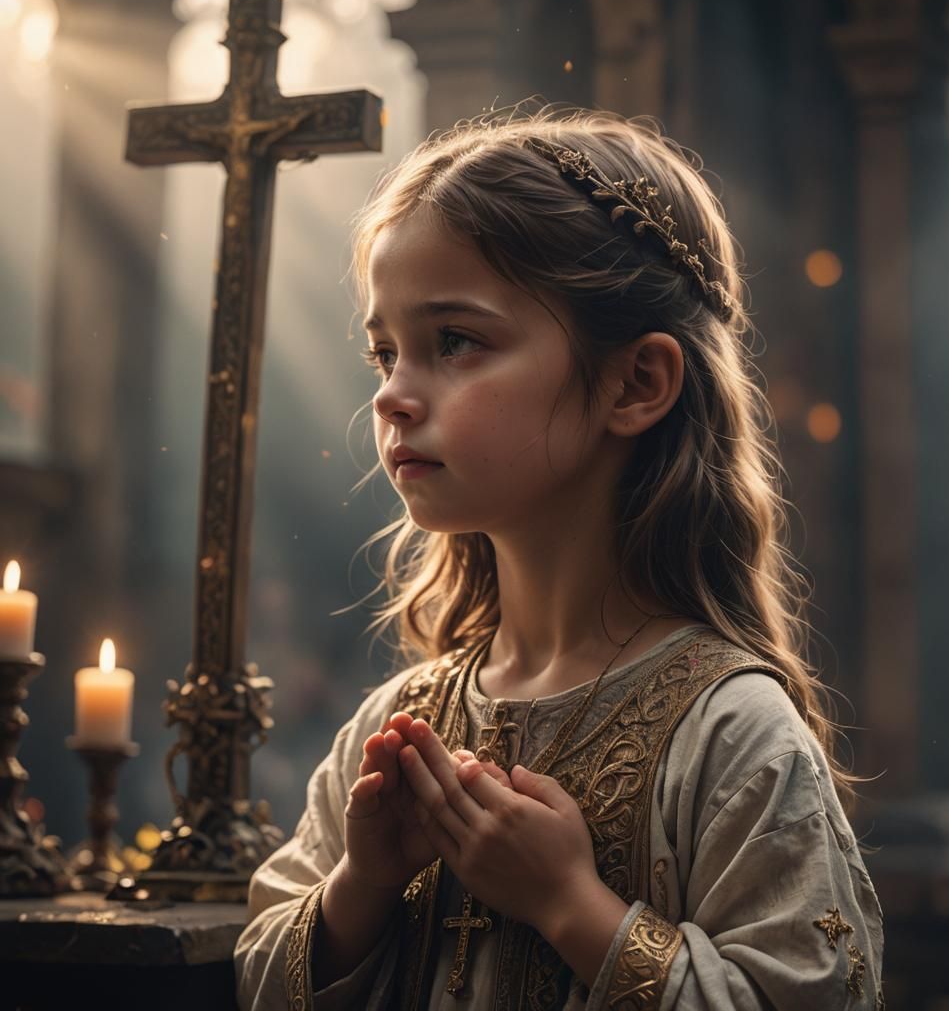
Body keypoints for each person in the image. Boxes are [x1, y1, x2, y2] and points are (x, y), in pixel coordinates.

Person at [234, 99, 884, 1010]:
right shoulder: (401, 720)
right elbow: (261, 974)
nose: (392, 397)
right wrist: (363, 885)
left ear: (636, 382)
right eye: (386, 353)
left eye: (454, 342)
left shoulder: (733, 734)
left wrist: (571, 906)